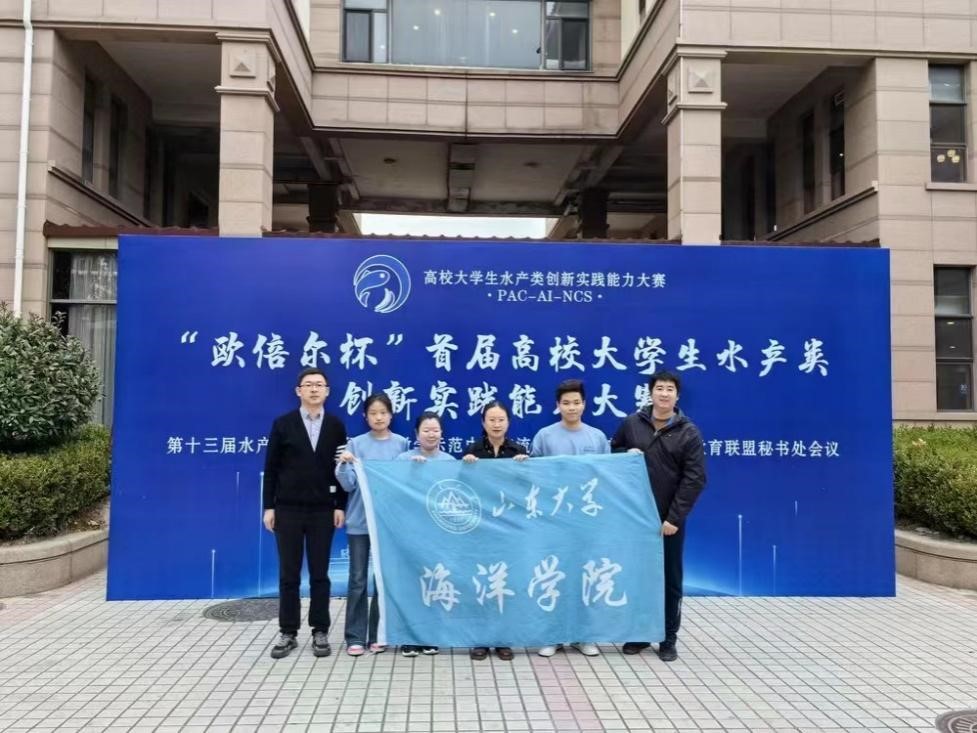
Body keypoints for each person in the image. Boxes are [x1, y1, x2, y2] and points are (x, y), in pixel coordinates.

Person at [611, 370, 706, 662]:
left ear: (677, 396)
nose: (664, 393)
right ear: (650, 393)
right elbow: (614, 454)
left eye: (669, 389)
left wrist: (674, 518)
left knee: (669, 579)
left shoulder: (688, 431)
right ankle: (641, 632)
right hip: (635, 518)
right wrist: (625, 453)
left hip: (667, 521)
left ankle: (668, 637)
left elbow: (695, 479)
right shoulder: (632, 423)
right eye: (659, 388)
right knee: (637, 575)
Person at [262, 368, 347, 659]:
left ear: (327, 391)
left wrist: (339, 505)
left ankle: (320, 630)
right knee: (289, 574)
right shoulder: (283, 424)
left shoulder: (336, 425)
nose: (314, 389)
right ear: (298, 391)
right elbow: (271, 469)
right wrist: (269, 507)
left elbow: (341, 469)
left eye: (319, 385)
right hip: (288, 509)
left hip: (323, 510)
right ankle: (288, 631)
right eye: (308, 384)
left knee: (320, 574)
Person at [529, 379, 609, 658]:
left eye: (576, 402)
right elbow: (533, 475)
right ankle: (553, 636)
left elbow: (608, 477)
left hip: (587, 520)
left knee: (585, 576)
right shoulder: (544, 436)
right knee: (553, 576)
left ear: (584, 404)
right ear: (558, 405)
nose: (571, 407)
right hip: (554, 520)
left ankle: (583, 636)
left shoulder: (597, 437)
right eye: (566, 403)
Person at [336, 393, 410, 657]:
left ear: (391, 415)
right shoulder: (355, 444)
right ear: (365, 417)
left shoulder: (402, 444)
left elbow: (405, 483)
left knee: (383, 580)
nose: (378, 417)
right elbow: (348, 485)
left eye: (383, 413)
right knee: (357, 579)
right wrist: (343, 465)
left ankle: (379, 633)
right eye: (373, 413)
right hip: (360, 522)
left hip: (388, 524)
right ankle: (355, 636)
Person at [461, 401, 529, 662]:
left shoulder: (518, 451)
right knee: (480, 583)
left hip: (509, 529)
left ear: (508, 422)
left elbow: (528, 490)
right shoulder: (473, 450)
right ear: (483, 422)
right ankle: (480, 639)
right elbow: (462, 489)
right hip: (480, 529)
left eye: (501, 419)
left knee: (506, 582)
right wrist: (465, 467)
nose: (496, 424)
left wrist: (525, 468)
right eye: (491, 419)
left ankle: (503, 639)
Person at [396, 411, 456, 656]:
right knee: (410, 583)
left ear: (442, 433)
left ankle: (430, 635)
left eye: (435, 430)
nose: (431, 435)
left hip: (438, 533)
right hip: (409, 531)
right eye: (426, 430)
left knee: (435, 582)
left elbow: (455, 495)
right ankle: (408, 637)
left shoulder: (450, 462)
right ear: (416, 434)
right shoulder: (403, 459)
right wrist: (412, 471)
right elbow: (393, 491)